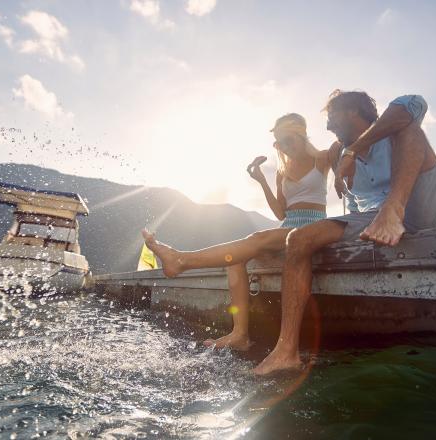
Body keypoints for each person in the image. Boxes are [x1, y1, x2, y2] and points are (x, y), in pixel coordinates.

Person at [252, 90, 436, 375]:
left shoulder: (393, 124)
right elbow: (351, 204)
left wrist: (352, 152)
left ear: (352, 111)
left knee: (409, 127)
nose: (327, 127)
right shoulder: (337, 151)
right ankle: (286, 351)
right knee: (297, 238)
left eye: (331, 117)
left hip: (425, 210)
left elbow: (413, 104)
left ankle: (394, 207)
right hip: (372, 219)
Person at [142, 113, 339, 351]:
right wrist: (261, 181)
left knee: (255, 239)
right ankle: (239, 334)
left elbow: (341, 152)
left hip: (312, 225)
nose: (284, 148)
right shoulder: (281, 172)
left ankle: (181, 259)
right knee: (235, 259)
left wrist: (313, 147)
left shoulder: (321, 159)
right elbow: (280, 212)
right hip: (287, 226)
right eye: (279, 144)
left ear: (301, 135)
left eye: (289, 141)